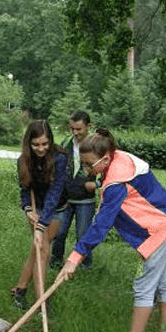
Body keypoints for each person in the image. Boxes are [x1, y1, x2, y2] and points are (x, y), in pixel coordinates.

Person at [59, 128, 166, 332]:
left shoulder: (117, 182)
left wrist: (74, 258)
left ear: (105, 158)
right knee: (165, 282)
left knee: (144, 286)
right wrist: (97, 184)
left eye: (89, 165)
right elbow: (111, 185)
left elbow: (101, 226)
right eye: (84, 165)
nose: (86, 170)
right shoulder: (117, 157)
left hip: (158, 229)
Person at [11, 120, 68, 310]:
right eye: (36, 144)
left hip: (57, 208)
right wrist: (28, 209)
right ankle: (41, 300)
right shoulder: (23, 160)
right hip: (36, 209)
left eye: (45, 144)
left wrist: (43, 223)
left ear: (50, 141)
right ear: (29, 143)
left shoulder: (60, 157)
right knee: (42, 250)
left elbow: (55, 191)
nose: (41, 148)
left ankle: (19, 289)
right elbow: (25, 188)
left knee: (38, 248)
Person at [50, 110, 98, 269]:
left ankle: (85, 266)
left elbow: (109, 172)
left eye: (79, 129)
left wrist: (96, 185)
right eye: (72, 129)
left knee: (82, 235)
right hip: (65, 199)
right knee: (59, 233)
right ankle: (55, 263)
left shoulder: (96, 145)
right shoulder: (65, 143)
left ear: (88, 126)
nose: (75, 132)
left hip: (85, 200)